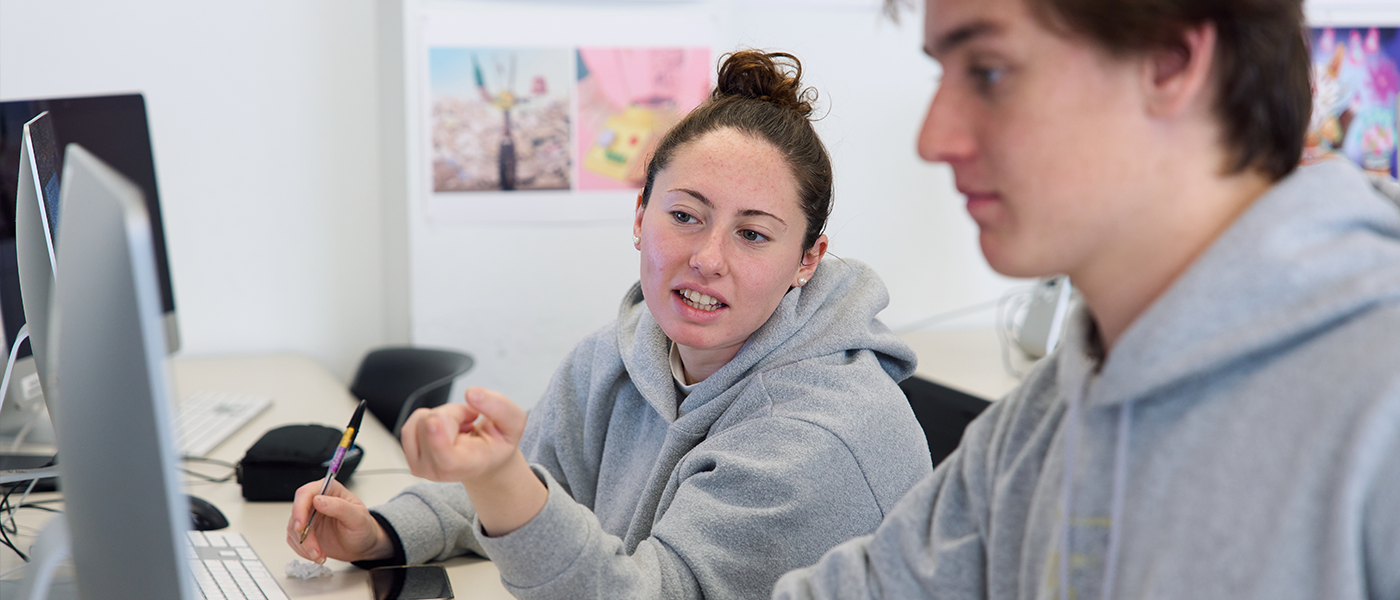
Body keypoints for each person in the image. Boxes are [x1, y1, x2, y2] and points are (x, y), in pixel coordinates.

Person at [774, 0, 1400, 598]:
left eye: (989, 72)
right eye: (944, 74)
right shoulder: (1050, 414)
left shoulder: (1378, 403)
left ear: (1170, 61)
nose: (934, 139)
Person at [286, 50, 934, 600]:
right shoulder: (622, 354)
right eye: (685, 216)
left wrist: (500, 480)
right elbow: (542, 482)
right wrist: (384, 532)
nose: (708, 259)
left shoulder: (819, 435)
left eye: (754, 234)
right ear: (640, 216)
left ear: (806, 261)